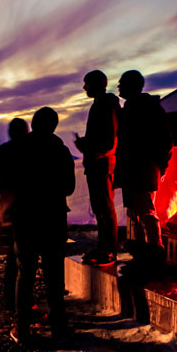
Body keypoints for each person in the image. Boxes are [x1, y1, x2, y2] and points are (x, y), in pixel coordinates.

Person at [10, 107, 75, 344]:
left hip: (26, 219)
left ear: (34, 124)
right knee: (54, 276)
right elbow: (69, 187)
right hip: (53, 219)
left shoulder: (19, 149)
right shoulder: (61, 150)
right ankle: (59, 326)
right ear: (54, 126)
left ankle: (22, 326)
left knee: (24, 274)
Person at [114, 70, 172, 266]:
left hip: (143, 169)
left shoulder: (146, 109)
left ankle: (156, 251)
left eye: (121, 83)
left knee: (146, 210)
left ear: (131, 86)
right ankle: (141, 254)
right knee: (134, 212)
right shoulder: (131, 109)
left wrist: (161, 166)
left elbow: (164, 141)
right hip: (133, 169)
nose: (118, 86)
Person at [74, 70, 120, 267]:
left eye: (87, 84)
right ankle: (104, 248)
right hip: (97, 163)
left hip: (101, 164)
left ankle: (109, 250)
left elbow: (108, 142)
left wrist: (87, 147)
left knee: (105, 208)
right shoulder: (101, 105)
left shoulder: (106, 105)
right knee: (101, 209)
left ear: (96, 84)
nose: (84, 88)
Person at [0, 117, 29, 311]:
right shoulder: (26, 151)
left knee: (12, 258)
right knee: (21, 261)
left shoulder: (3, 151)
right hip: (24, 211)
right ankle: (20, 304)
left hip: (7, 211)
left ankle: (11, 300)